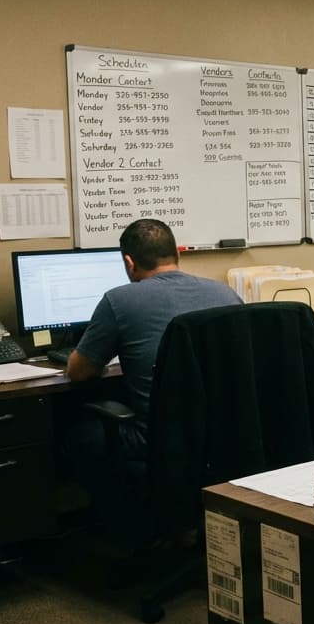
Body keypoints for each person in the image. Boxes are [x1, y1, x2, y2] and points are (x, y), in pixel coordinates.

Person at [65, 218, 242, 553]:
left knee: (80, 437)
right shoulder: (224, 292)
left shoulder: (119, 300)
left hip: (159, 439)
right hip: (224, 435)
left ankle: (140, 534)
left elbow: (79, 372)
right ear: (176, 253)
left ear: (129, 262)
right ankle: (180, 524)